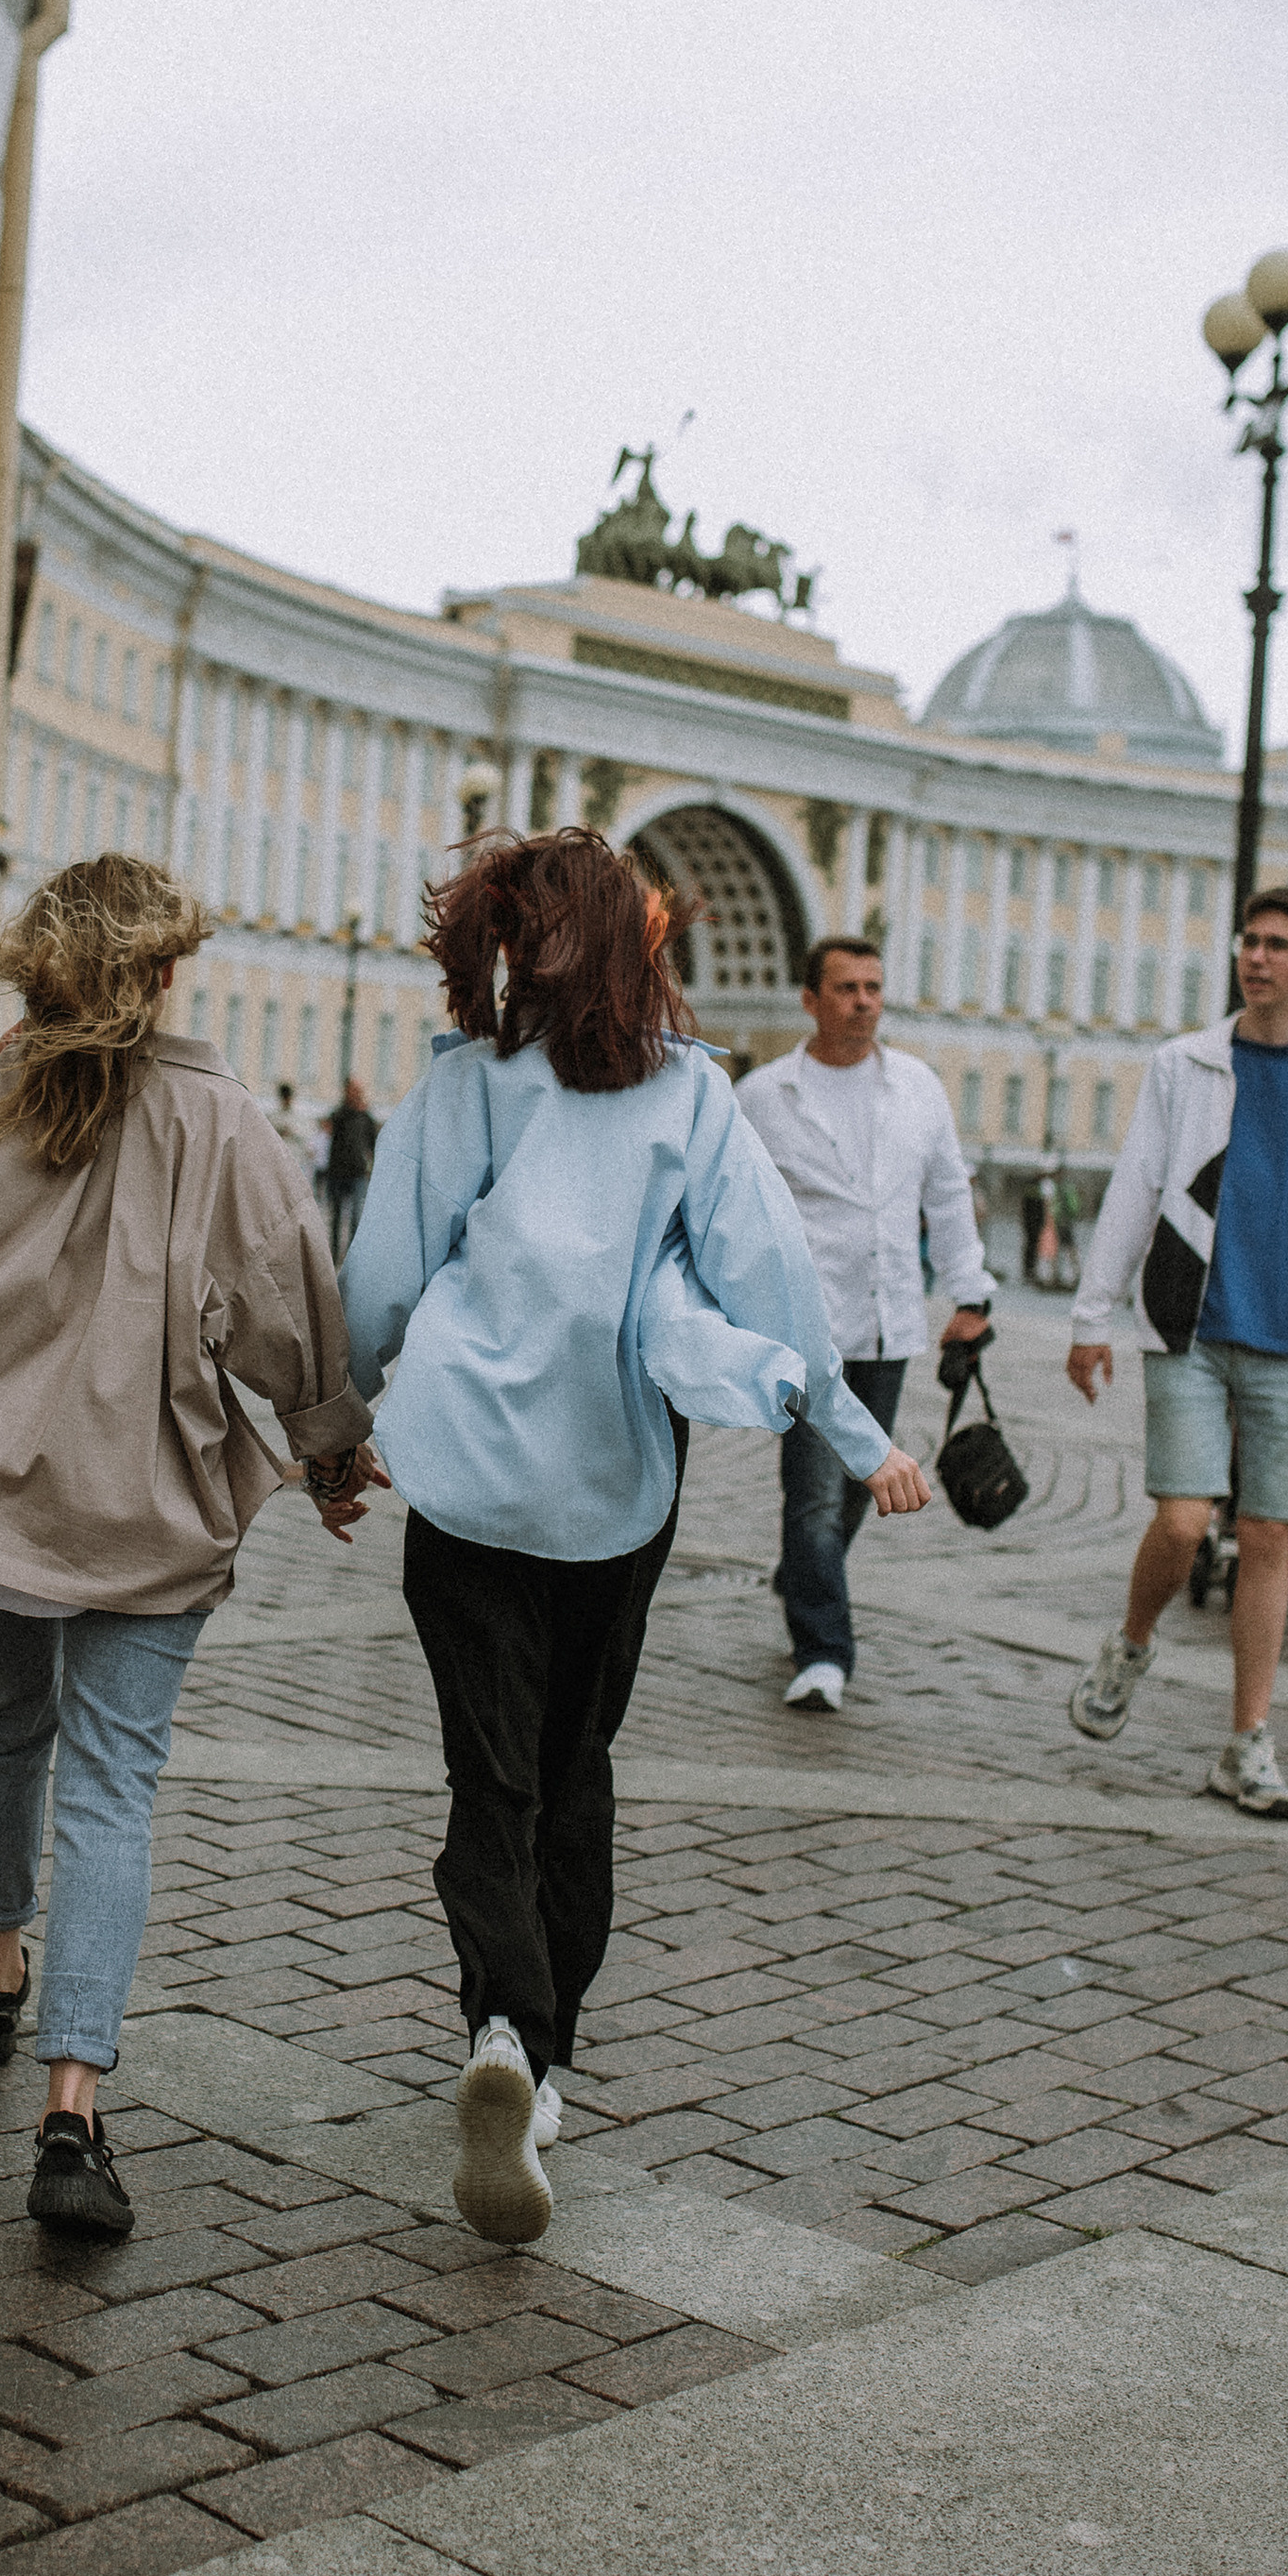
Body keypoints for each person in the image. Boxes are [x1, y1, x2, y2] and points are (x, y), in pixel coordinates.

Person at [341, 834, 930, 2246]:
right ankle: (542, 2065)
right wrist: (862, 1438)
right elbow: (773, 1284)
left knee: (486, 1776)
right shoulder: (693, 1098)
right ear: (637, 948)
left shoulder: (463, 1083)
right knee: (571, 1769)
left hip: (464, 1483)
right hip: (610, 1499)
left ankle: (499, 2015)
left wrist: (334, 1425)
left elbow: (377, 1277)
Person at [0, 856, 381, 2239]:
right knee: (113, 1786)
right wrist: (326, 1447)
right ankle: (72, 2106)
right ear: (152, 974)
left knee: (6, 1717)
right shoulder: (221, 1116)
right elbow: (280, 1303)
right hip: (141, 1493)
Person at [1064, 887, 1288, 1819]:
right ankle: (1131, 1643)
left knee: (1269, 1537)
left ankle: (1247, 1743)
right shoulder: (1185, 1064)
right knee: (1182, 1521)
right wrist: (1094, 1316)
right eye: (1249, 941)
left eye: (1278, 945)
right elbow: (1137, 1183)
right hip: (1194, 1326)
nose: (1256, 957)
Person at [735, 937, 993, 1710]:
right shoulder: (764, 1095)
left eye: (874, 986)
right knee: (813, 1495)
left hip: (888, 1322)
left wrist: (970, 1294)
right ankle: (823, 1651)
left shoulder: (916, 1086)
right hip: (806, 1330)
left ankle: (805, 1572)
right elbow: (735, 1210)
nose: (864, 1001)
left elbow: (947, 1194)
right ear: (810, 1000)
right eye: (846, 987)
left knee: (857, 1485)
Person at [323, 1077, 379, 1260]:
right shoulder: (339, 1114)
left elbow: (373, 1144)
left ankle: (353, 1255)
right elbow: (329, 1126)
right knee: (337, 1216)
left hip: (358, 1173)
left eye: (358, 1090)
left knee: (356, 1216)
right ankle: (334, 1253)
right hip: (337, 1173)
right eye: (353, 1090)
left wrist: (371, 1168)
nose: (356, 1094)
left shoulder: (366, 1118)